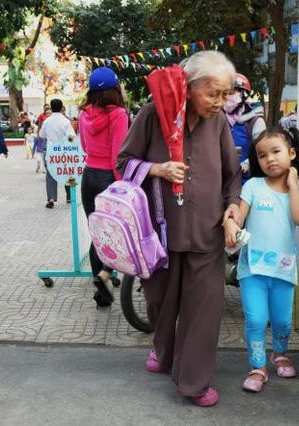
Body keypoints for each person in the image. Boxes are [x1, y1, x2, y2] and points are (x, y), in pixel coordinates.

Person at [116, 51, 241, 407]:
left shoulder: (218, 123)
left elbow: (233, 174)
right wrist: (157, 169)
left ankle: (193, 382)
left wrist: (233, 207)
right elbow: (123, 163)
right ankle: (163, 347)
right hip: (160, 233)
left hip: (207, 232)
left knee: (203, 310)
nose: (221, 102)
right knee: (161, 302)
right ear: (188, 87)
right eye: (213, 93)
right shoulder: (153, 114)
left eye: (225, 94)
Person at [223, 126, 299, 393]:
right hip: (253, 270)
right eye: (262, 155)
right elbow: (239, 214)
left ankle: (280, 353)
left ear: (292, 153)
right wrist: (230, 223)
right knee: (257, 319)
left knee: (283, 321)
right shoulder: (253, 186)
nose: (270, 159)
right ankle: (258, 366)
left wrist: (294, 183)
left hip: (283, 271)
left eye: (276, 152)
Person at [78, 67, 129, 306]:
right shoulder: (118, 114)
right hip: (108, 178)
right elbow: (118, 154)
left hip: (88, 177)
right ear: (114, 89)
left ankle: (101, 293)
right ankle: (105, 273)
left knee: (96, 234)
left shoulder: (83, 114)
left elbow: (84, 145)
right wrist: (122, 186)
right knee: (118, 231)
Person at [223, 73, 266, 183]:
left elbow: (262, 149)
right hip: (221, 184)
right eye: (224, 93)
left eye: (232, 92)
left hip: (248, 183)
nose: (227, 96)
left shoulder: (255, 121)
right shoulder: (217, 119)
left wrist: (248, 163)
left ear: (243, 94)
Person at [39, 98, 76, 208]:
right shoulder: (65, 121)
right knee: (67, 172)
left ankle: (51, 198)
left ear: (51, 107)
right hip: (64, 151)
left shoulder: (47, 121)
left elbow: (42, 135)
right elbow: (71, 137)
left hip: (51, 151)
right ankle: (69, 197)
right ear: (61, 107)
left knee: (50, 175)